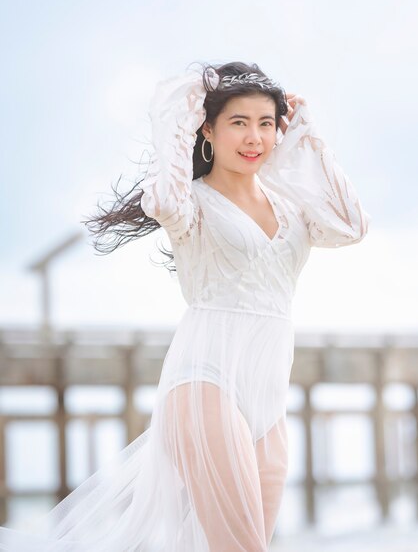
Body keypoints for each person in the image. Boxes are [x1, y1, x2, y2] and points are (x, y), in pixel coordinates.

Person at [0, 60, 371, 551]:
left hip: (268, 397)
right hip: (204, 382)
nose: (254, 136)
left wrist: (306, 136)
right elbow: (163, 198)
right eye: (238, 122)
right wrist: (185, 104)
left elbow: (351, 226)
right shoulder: (189, 202)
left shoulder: (292, 206)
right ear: (208, 130)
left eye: (265, 123)